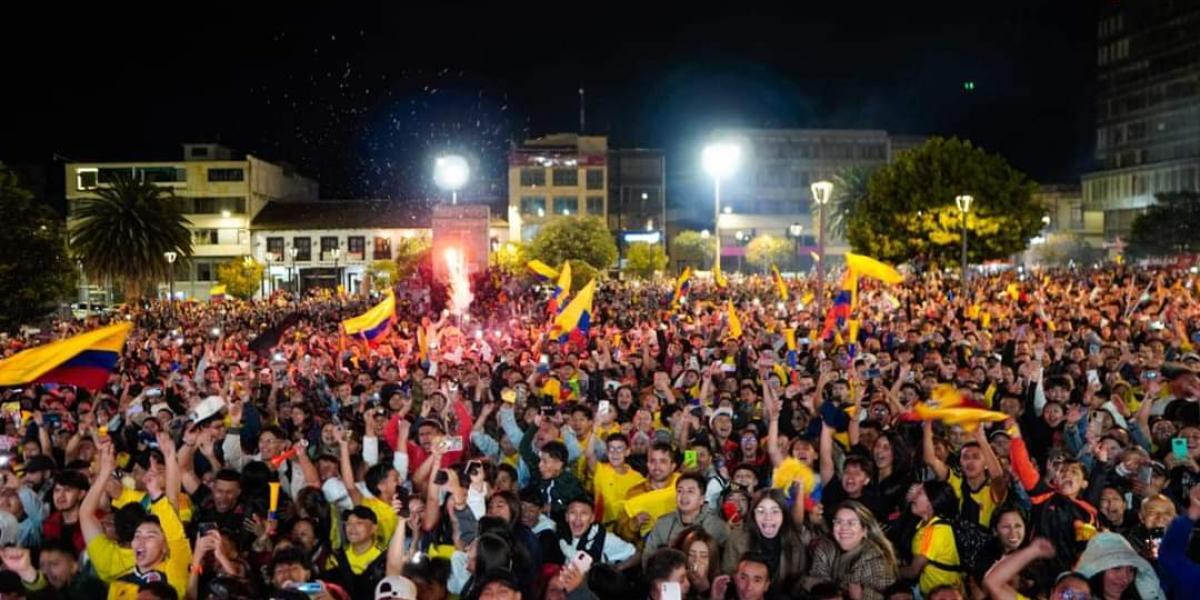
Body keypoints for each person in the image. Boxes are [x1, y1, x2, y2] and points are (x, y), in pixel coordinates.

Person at [805, 501, 898, 600]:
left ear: (864, 530)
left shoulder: (876, 559)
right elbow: (816, 583)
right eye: (838, 522)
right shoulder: (825, 547)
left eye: (851, 523)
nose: (844, 528)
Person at [721, 489, 807, 595]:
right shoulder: (737, 539)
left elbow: (797, 585)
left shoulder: (795, 543)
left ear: (784, 515)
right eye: (761, 511)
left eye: (775, 511)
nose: (768, 518)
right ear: (753, 514)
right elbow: (729, 579)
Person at [643, 473, 729, 567]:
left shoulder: (717, 526)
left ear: (702, 499)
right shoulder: (663, 523)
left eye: (690, 491)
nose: (684, 496)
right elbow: (648, 556)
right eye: (680, 491)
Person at [899, 481, 962, 598]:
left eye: (920, 493)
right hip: (926, 590)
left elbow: (913, 571)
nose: (914, 497)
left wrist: (888, 571)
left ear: (932, 501)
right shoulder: (925, 524)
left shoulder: (936, 531)